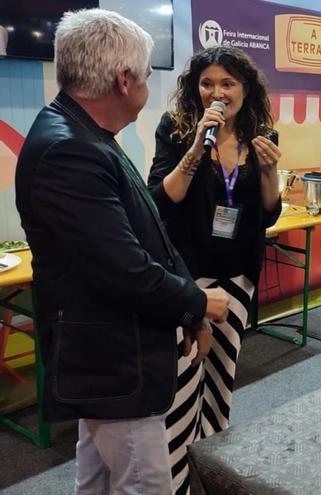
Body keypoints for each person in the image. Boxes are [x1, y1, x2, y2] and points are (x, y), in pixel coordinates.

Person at [14, 9, 229, 494]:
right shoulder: (70, 150)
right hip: (109, 359)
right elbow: (125, 268)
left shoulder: (85, 136)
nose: (149, 88)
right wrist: (198, 303)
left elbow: (142, 224)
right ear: (124, 79)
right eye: (149, 77)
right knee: (142, 483)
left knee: (97, 479)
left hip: (111, 356)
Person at [147, 45, 282, 494]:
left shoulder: (262, 133)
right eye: (208, 83)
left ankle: (212, 476)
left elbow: (269, 212)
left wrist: (269, 173)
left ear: (245, 89)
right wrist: (195, 148)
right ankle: (175, 483)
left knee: (222, 379)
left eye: (228, 83)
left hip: (238, 276)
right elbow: (162, 202)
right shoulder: (179, 128)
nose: (217, 92)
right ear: (196, 88)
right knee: (185, 382)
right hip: (190, 276)